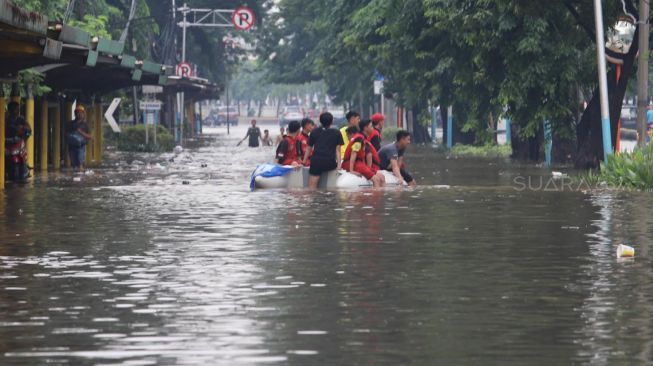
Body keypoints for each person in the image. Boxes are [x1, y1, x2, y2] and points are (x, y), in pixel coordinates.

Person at [304, 112, 344, 189]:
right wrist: (339, 166)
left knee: (312, 186)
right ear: (332, 122)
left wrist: (304, 162)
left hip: (316, 162)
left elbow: (309, 148)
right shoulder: (336, 132)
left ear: (320, 121)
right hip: (330, 163)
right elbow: (338, 150)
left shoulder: (314, 132)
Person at [343, 120, 385, 187]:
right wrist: (351, 170)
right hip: (352, 164)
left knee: (382, 177)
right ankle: (376, 197)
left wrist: (368, 169)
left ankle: (380, 196)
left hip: (360, 163)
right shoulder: (359, 138)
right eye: (371, 126)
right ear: (365, 128)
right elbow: (354, 153)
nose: (373, 128)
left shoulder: (362, 138)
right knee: (376, 179)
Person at [68, 105, 92, 171]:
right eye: (77, 112)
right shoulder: (71, 123)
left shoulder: (85, 124)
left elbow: (90, 136)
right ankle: (74, 178)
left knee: (80, 162)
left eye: (81, 112)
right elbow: (66, 133)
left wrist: (80, 132)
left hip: (81, 146)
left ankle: (80, 176)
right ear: (75, 114)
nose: (79, 114)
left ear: (83, 114)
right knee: (73, 163)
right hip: (71, 146)